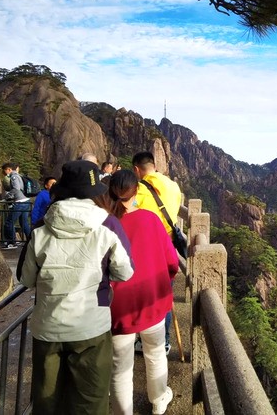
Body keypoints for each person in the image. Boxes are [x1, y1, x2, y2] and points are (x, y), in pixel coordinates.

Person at [19, 160, 134, 415]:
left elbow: (26, 279)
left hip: (48, 327)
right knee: (91, 401)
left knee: (47, 402)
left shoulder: (41, 226)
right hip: (91, 327)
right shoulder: (109, 224)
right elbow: (125, 272)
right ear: (94, 192)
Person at [108, 169, 178, 415]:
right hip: (151, 301)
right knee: (156, 353)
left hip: (116, 307)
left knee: (120, 368)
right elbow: (172, 262)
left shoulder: (105, 224)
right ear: (136, 191)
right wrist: (165, 281)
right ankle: (158, 401)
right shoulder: (150, 219)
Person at [132, 151, 183, 353]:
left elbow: (132, 214)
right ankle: (165, 341)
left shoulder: (140, 190)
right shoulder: (173, 185)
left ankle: (145, 340)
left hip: (147, 249)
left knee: (142, 293)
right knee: (165, 296)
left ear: (137, 169)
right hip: (168, 247)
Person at [1, 162, 32, 249]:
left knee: (9, 222)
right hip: (26, 201)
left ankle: (12, 242)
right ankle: (31, 241)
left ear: (9, 169)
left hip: (20, 202)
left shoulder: (13, 176)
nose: (5, 173)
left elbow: (16, 188)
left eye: (5, 171)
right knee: (24, 223)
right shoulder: (19, 176)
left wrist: (8, 196)